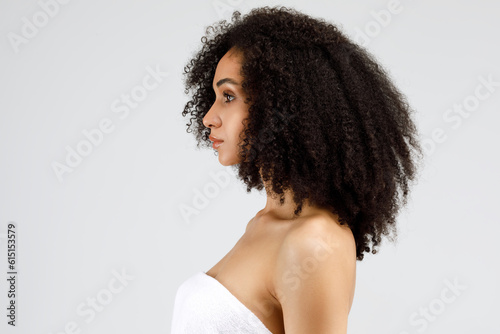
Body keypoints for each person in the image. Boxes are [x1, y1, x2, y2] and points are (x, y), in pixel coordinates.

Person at [172, 5, 423, 333]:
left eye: (228, 96)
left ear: (279, 106)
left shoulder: (314, 242)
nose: (208, 117)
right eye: (215, 96)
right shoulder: (262, 224)